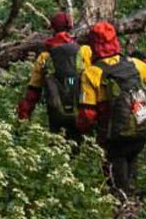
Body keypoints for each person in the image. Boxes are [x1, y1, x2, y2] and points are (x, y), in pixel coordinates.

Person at [74, 20, 146, 210]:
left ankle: (123, 214)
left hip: (113, 136)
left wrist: (79, 133)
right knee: (131, 167)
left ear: (93, 45)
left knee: (116, 179)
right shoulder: (134, 64)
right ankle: (135, 207)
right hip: (140, 128)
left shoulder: (92, 73)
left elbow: (87, 115)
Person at [15, 11, 90, 141]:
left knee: (57, 144)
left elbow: (33, 91)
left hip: (55, 112)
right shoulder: (84, 52)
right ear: (70, 28)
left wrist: (23, 117)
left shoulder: (45, 57)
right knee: (78, 146)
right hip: (80, 111)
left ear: (53, 29)